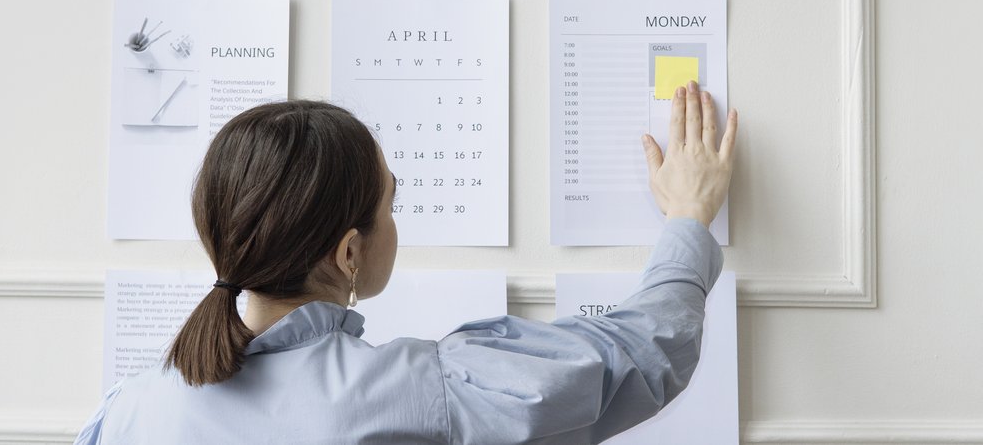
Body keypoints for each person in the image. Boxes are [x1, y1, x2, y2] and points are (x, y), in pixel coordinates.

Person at [75, 80, 737, 444]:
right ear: (350, 252)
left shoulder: (126, 413)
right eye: (390, 203)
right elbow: (642, 356)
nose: (396, 220)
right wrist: (688, 216)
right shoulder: (425, 393)